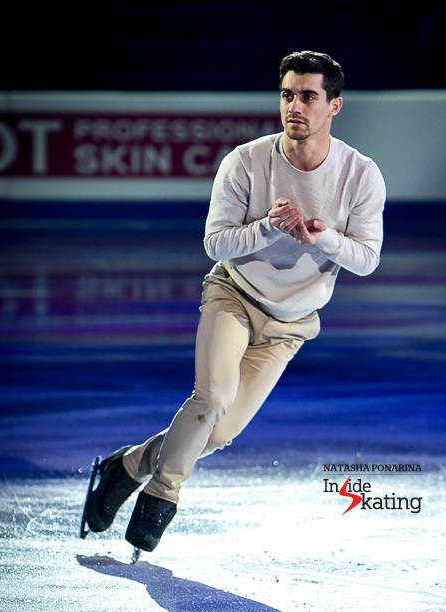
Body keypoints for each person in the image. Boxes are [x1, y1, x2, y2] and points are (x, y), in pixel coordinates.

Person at [82, 50, 386, 552]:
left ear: (334, 106)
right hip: (234, 296)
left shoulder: (360, 175)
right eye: (288, 94)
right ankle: (162, 494)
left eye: (309, 97)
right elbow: (215, 244)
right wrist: (267, 226)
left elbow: (367, 258)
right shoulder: (245, 161)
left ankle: (129, 465)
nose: (295, 107)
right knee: (211, 398)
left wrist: (323, 238)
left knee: (218, 433)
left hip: (290, 324)